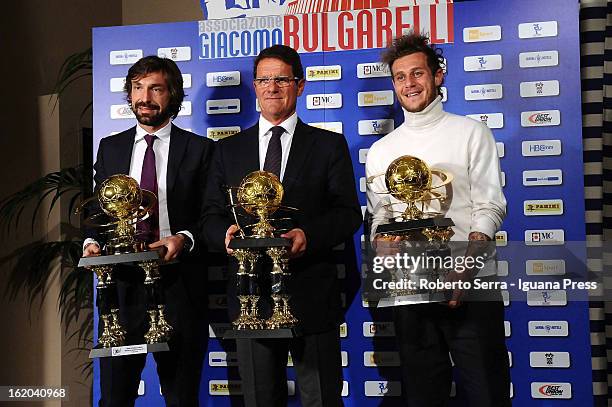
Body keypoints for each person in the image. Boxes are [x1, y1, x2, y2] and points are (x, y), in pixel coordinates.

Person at [202, 44, 362, 407]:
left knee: (321, 399)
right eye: (263, 80)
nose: (272, 87)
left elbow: (348, 213)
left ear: (300, 85)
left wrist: (309, 235)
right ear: (255, 87)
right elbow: (211, 215)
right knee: (260, 400)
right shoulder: (227, 150)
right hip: (249, 298)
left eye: (281, 79)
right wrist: (223, 235)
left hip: (311, 295)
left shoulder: (328, 145)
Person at [365, 33, 511, 406]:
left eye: (418, 73)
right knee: (422, 396)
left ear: (438, 76)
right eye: (400, 77)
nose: (409, 84)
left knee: (486, 393)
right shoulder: (382, 151)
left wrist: (465, 269)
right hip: (409, 288)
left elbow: (489, 206)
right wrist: (381, 245)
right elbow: (381, 218)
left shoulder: (471, 133)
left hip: (470, 282)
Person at [83, 56, 213, 407]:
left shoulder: (201, 150)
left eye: (155, 88)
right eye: (137, 88)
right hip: (122, 288)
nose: (145, 97)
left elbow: (210, 217)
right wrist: (93, 241)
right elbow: (98, 208)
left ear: (171, 94)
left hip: (179, 286)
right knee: (114, 397)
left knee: (181, 396)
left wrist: (183, 239)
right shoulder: (110, 148)